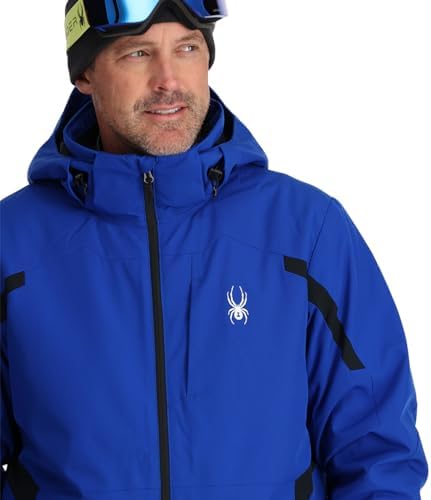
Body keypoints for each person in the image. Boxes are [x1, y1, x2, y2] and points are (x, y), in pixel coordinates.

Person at [0, 0, 428, 498]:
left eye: (187, 48)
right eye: (138, 53)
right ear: (85, 74)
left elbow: (377, 452)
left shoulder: (306, 232)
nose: (168, 80)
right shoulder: (13, 244)